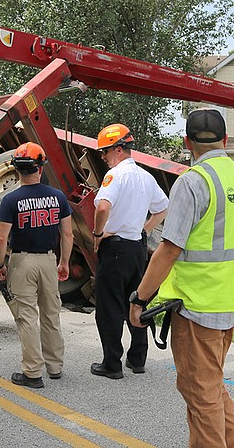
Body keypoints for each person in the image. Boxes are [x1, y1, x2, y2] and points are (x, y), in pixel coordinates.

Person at [129, 108, 234, 448]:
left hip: (197, 308)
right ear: (226, 140)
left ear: (187, 142)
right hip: (231, 302)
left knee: (201, 394)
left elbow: (168, 250)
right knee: (212, 388)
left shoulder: (194, 181)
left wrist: (140, 298)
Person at [0, 142, 74, 389]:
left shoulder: (11, 200)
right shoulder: (57, 197)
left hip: (22, 261)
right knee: (51, 312)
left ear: (17, 170)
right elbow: (68, 235)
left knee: (27, 316)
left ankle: (32, 372)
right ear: (40, 168)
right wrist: (64, 262)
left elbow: (0, 238)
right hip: (49, 260)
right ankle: (55, 366)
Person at [90, 123, 168, 379]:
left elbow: (102, 208)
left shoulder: (115, 176)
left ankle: (111, 363)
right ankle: (137, 359)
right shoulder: (146, 177)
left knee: (109, 307)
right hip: (136, 248)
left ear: (119, 149)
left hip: (114, 249)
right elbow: (163, 209)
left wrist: (98, 234)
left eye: (105, 152)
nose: (103, 157)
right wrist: (144, 229)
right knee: (136, 300)